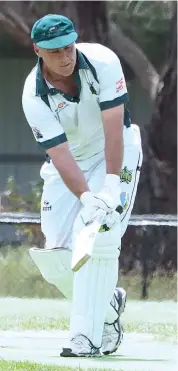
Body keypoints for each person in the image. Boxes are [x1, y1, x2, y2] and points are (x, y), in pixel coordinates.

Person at [22, 14, 143, 357]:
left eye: (69, 46)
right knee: (56, 261)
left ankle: (84, 338)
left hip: (118, 155)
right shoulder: (33, 97)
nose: (65, 56)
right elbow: (60, 155)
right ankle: (108, 308)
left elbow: (113, 130)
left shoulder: (103, 62)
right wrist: (85, 195)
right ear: (38, 51)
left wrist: (107, 187)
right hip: (70, 164)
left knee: (100, 234)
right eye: (55, 50)